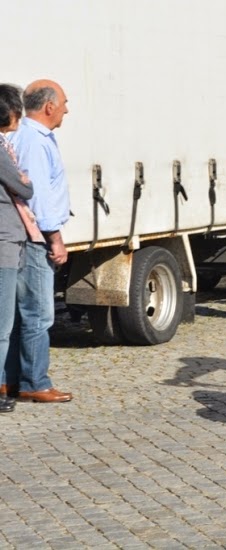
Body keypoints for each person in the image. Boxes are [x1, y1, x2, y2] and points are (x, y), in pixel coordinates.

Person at [6, 79, 73, 403]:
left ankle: (10, 380)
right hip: (35, 238)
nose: (66, 110)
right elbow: (38, 197)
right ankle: (34, 382)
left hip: (27, 235)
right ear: (49, 106)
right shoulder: (34, 140)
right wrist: (55, 239)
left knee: (20, 313)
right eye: (64, 103)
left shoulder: (27, 135)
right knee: (38, 312)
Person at [0, 86, 35, 412]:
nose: (20, 117)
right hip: (4, 243)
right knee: (2, 326)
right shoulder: (0, 150)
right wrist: (24, 180)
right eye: (17, 111)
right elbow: (23, 187)